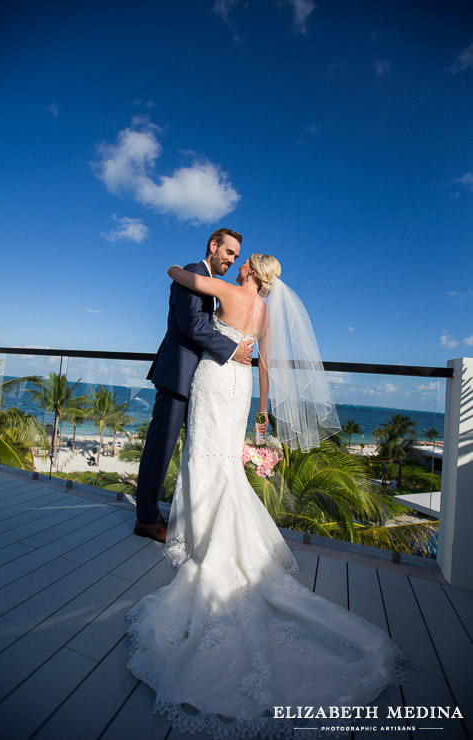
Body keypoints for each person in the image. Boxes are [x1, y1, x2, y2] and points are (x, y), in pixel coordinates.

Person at [127, 254, 406, 738]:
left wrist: (175, 269)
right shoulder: (268, 312)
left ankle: (196, 531)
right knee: (224, 461)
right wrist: (261, 411)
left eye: (243, 263)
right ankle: (213, 527)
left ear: (251, 273)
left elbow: (183, 278)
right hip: (240, 391)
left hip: (213, 379)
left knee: (201, 454)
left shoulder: (231, 294)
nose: (237, 268)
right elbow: (266, 364)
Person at [133, 228, 254, 543]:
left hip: (196, 379)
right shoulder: (193, 273)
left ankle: (185, 515)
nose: (232, 259)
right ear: (213, 246)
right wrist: (232, 349)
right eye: (229, 252)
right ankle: (146, 519)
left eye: (236, 257)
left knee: (194, 448)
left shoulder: (208, 282)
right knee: (161, 448)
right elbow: (192, 325)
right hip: (177, 374)